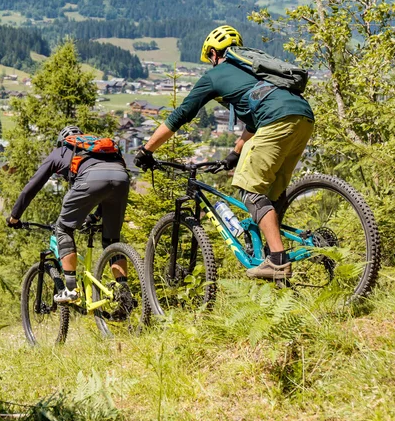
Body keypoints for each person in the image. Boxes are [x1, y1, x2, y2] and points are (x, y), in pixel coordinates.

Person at [133, 26, 314, 280]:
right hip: (303, 117)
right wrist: (234, 154)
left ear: (213, 53)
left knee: (250, 191)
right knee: (272, 193)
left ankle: (277, 261)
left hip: (276, 120)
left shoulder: (216, 75)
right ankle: (290, 252)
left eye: (210, 57)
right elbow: (254, 123)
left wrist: (147, 149)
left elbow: (180, 115)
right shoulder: (254, 70)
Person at [8, 125, 131, 303]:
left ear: (62, 141)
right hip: (122, 179)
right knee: (111, 240)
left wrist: (15, 216)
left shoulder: (61, 151)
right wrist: (97, 215)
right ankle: (124, 293)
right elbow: (110, 183)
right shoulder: (101, 148)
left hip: (90, 180)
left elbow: (32, 186)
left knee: (63, 228)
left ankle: (71, 289)